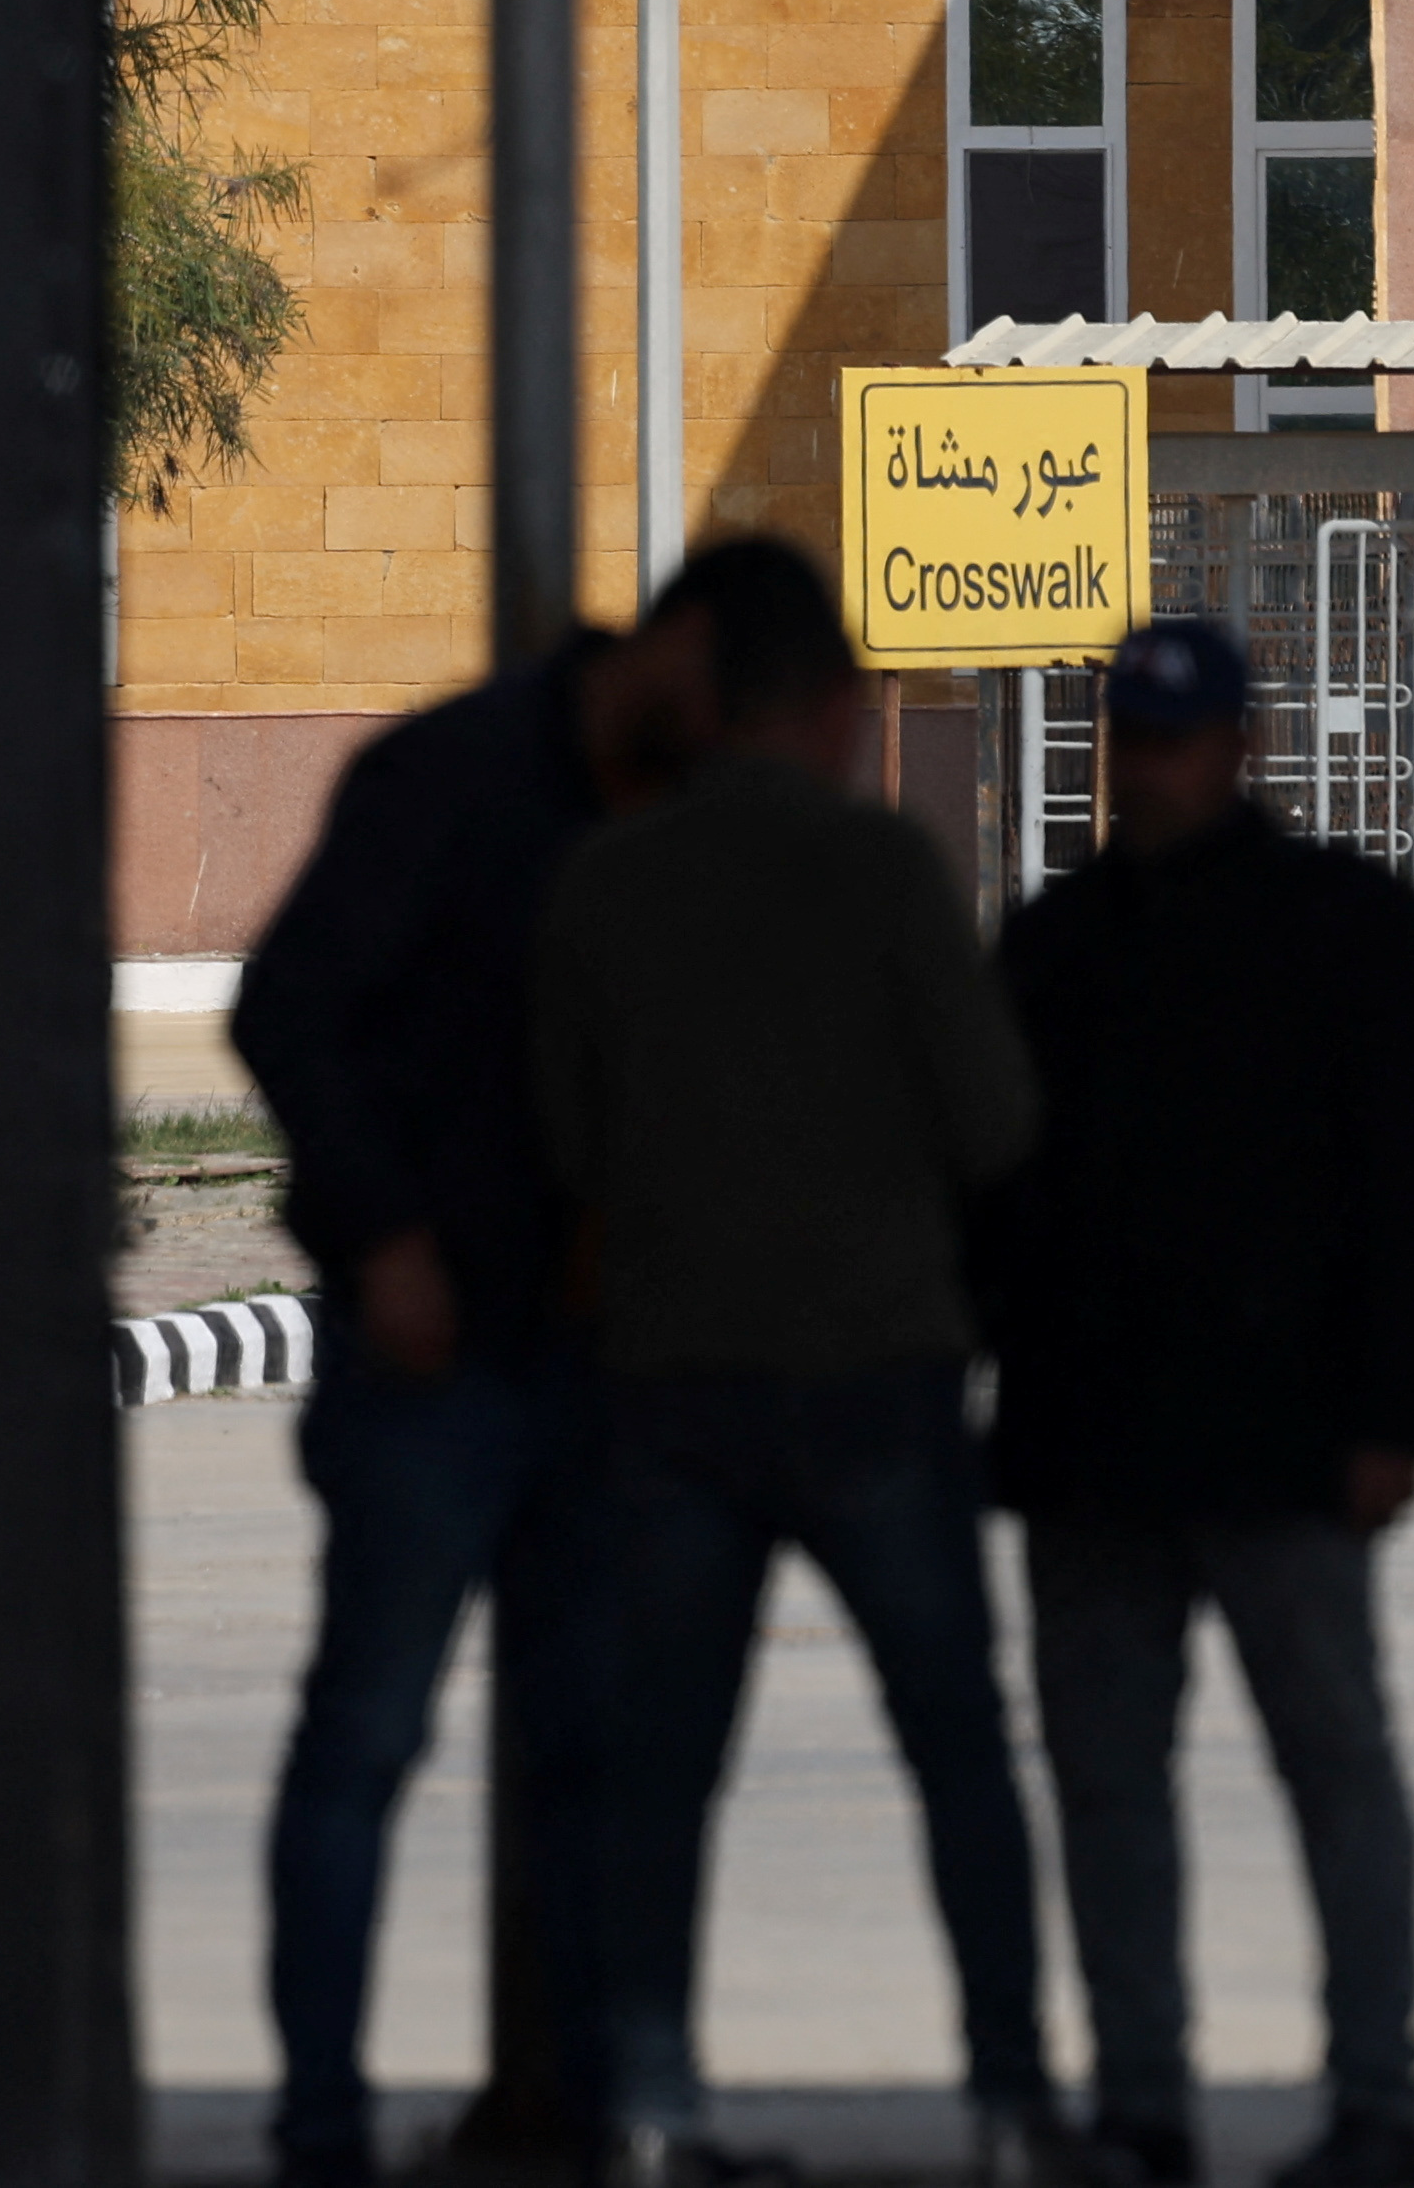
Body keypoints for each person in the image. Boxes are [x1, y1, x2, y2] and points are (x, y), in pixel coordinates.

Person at [533, 536, 1084, 2188]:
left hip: (676, 1381)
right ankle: (1004, 2101)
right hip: (880, 1379)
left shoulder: (603, 883)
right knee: (957, 1747)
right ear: (834, 702)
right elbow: (999, 1120)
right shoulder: (885, 871)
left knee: (662, 1770)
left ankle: (646, 2106)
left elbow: (563, 1151)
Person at [231, 576, 723, 2188]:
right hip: (431, 1357)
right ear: (663, 657)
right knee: (367, 1736)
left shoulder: (683, 802)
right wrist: (382, 1236)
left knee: (589, 1750)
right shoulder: (449, 778)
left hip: (595, 1364)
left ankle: (588, 2106)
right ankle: (321, 2127)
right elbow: (287, 1004)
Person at [985, 619, 1414, 2188]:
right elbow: (995, 1194)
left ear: (1243, 743)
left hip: (1287, 1438)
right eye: (1133, 736)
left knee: (1335, 1765)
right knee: (1112, 1789)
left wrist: (1391, 1413)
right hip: (1096, 1447)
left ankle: (1377, 2099)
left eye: (1180, 736)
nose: (1156, 765)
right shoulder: (1057, 943)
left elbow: (1408, 1190)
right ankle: (1141, 2106)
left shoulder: (1348, 926)